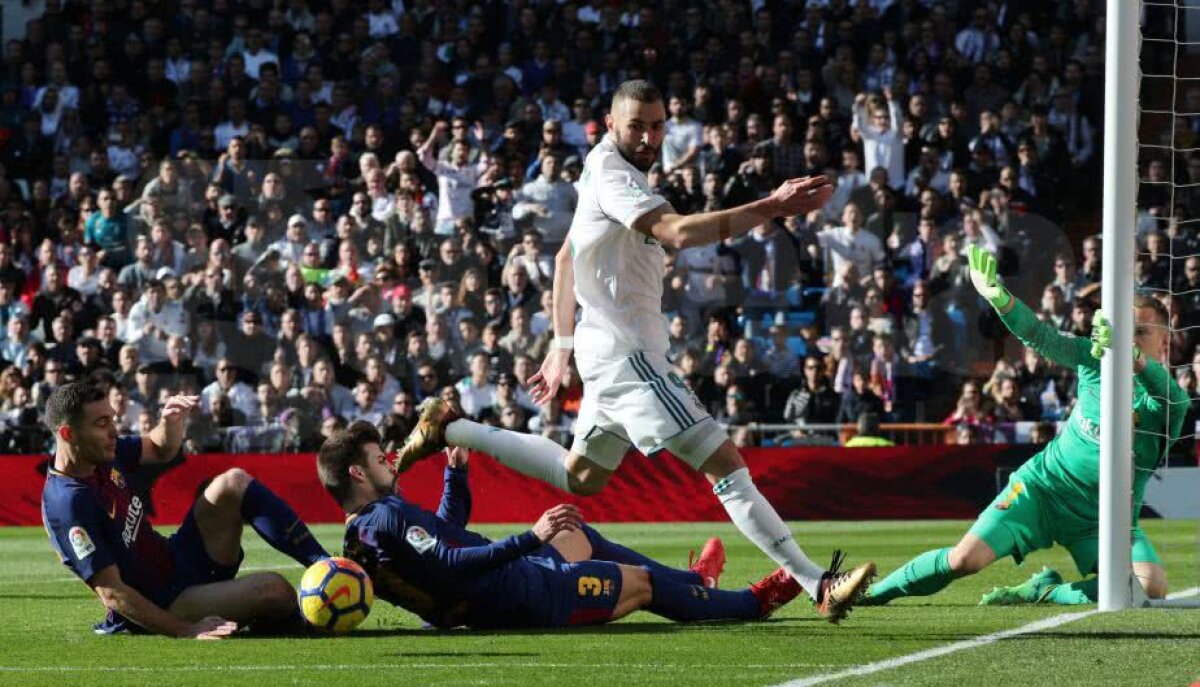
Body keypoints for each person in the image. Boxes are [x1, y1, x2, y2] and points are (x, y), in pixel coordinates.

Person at [389, 80, 874, 623]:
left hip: (603, 352)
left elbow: (567, 259)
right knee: (726, 465)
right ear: (611, 124)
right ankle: (817, 583)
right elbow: (678, 234)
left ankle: (452, 428)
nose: (648, 136)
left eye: (657, 125)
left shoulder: (599, 169)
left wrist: (562, 346)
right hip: (631, 357)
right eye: (636, 126)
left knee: (581, 477)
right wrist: (772, 205)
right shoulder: (616, 179)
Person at [860, 246, 1186, 607]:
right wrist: (999, 298)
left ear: (1165, 341)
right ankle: (868, 595)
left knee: (1149, 586)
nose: (1130, 338)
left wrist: (1133, 356)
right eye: (1125, 330)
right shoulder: (1092, 361)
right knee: (964, 560)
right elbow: (1039, 335)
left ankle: (1047, 591)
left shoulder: (1170, 403)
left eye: (1140, 332)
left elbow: (1164, 389)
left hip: (1105, 518)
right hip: (1042, 490)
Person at [318, 422, 806, 629]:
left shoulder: (367, 527)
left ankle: (698, 583)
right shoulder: (385, 516)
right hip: (524, 596)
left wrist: (456, 471)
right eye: (378, 458)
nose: (389, 461)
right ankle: (752, 602)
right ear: (358, 473)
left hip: (505, 585)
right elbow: (450, 565)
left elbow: (448, 535)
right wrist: (532, 535)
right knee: (642, 586)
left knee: (577, 533)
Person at [40, 382, 329, 638]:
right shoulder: (68, 503)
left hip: (175, 558)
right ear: (68, 433)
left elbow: (159, 447)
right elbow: (112, 592)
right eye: (102, 423)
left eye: (112, 419)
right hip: (163, 600)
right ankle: (300, 623)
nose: (114, 431)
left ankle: (326, 566)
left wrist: (171, 421)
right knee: (275, 590)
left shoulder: (103, 453)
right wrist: (185, 630)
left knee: (233, 482)